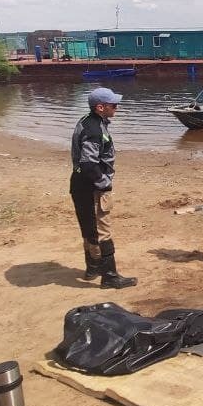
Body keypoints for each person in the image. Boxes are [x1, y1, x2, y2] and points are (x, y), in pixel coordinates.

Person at [70, 86, 137, 289]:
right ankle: (109, 276)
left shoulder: (88, 121)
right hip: (92, 187)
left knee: (88, 228)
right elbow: (88, 163)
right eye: (113, 105)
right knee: (102, 231)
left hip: (79, 184)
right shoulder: (94, 129)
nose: (116, 108)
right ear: (100, 107)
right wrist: (104, 184)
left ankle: (93, 268)